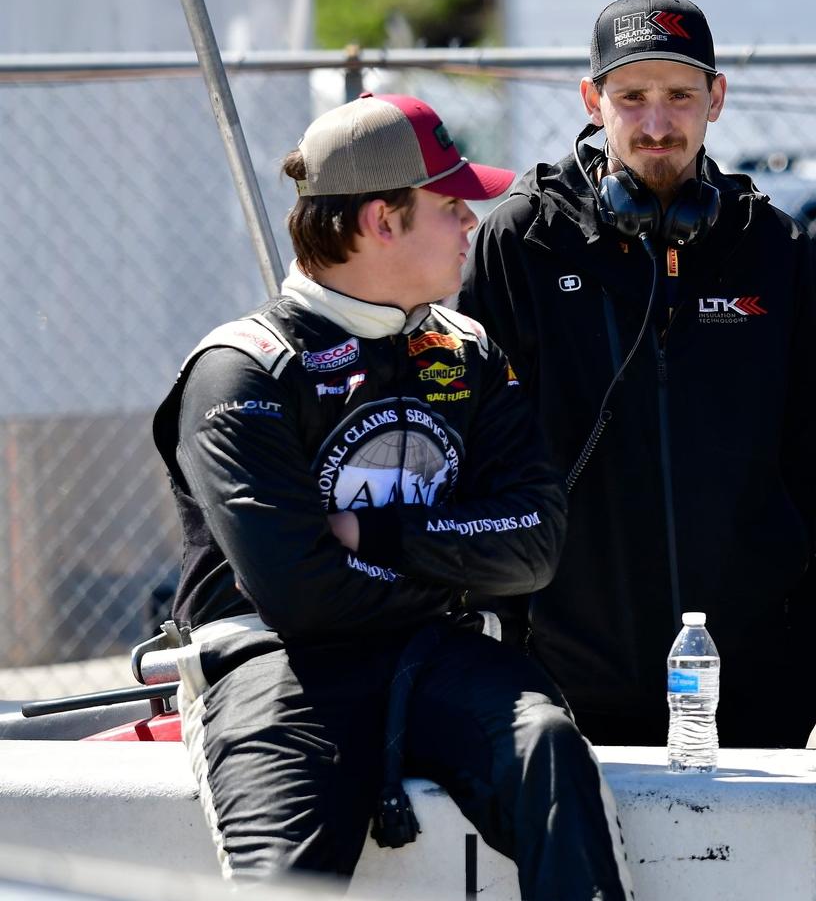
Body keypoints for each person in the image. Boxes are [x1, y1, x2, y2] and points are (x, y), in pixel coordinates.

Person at [152, 93, 632, 898]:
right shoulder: (241, 369)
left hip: (440, 654)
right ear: (381, 220)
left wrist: (374, 536)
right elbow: (301, 596)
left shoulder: (467, 351)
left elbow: (535, 544)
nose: (472, 223)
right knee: (282, 883)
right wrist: (459, 573)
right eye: (450, 206)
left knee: (549, 747)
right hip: (279, 670)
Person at [459, 0, 816, 749]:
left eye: (680, 96)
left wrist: (811, 642)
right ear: (591, 99)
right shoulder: (522, 240)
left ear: (717, 99)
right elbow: (477, 452)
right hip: (563, 677)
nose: (658, 124)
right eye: (632, 98)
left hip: (752, 679)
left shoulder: (777, 250)